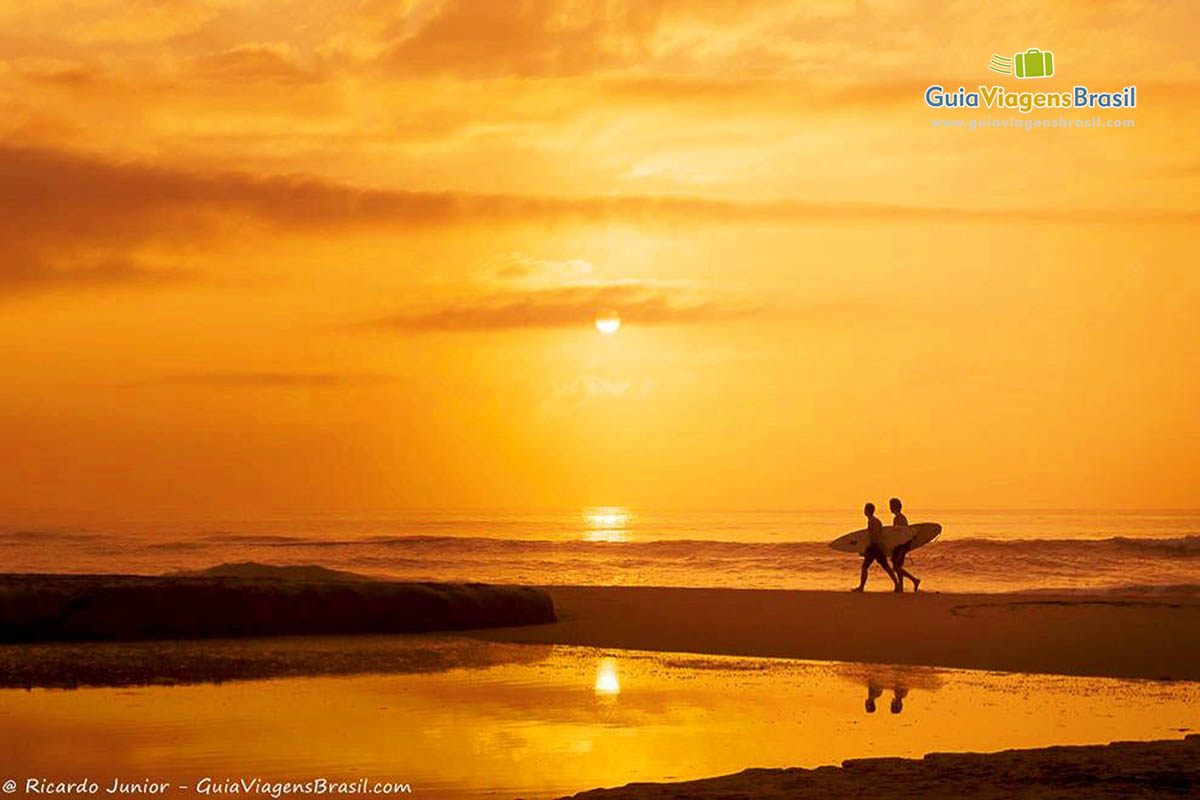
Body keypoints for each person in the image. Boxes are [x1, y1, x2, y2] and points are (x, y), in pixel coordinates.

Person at [852, 502, 898, 592]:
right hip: (878, 546)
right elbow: (881, 534)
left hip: (874, 547)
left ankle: (861, 587)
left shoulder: (871, 522)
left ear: (867, 511)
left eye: (865, 509)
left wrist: (866, 549)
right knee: (886, 566)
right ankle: (897, 584)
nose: (864, 511)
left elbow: (873, 536)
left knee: (865, 567)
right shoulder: (877, 521)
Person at [888, 497, 921, 592]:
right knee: (897, 566)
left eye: (891, 506)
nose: (890, 508)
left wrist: (902, 547)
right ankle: (900, 587)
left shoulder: (899, 518)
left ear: (895, 507)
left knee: (896, 567)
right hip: (900, 545)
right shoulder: (898, 517)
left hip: (901, 545)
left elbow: (903, 533)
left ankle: (914, 580)